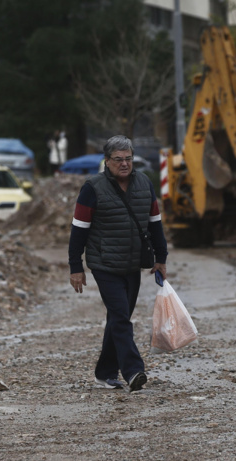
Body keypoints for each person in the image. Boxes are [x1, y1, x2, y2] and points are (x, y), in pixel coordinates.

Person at [68, 135, 168, 392]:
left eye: (128, 159)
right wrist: (75, 266)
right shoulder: (92, 188)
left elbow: (155, 223)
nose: (124, 164)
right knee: (122, 317)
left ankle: (104, 373)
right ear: (107, 161)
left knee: (118, 318)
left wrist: (161, 259)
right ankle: (134, 371)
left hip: (132, 264)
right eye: (118, 159)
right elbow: (79, 229)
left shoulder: (144, 184)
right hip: (105, 264)